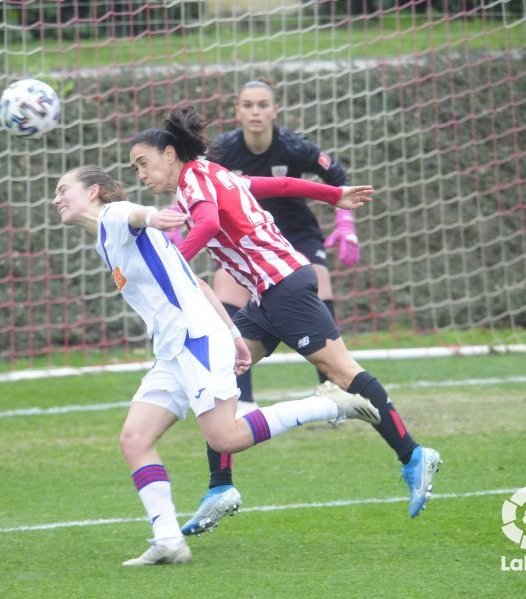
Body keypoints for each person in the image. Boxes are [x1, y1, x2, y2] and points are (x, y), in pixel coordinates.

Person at [128, 106, 443, 536]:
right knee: (219, 367)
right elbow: (276, 185)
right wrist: (333, 195)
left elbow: (207, 222)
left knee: (342, 371)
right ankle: (220, 487)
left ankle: (413, 455)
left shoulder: (195, 180)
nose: (141, 175)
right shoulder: (211, 173)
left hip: (284, 286)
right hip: (267, 293)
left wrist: (173, 268)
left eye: (143, 163)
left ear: (169, 153)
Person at [51, 166, 379, 566]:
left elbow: (133, 214)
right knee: (135, 440)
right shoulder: (106, 241)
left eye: (63, 189)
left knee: (225, 437)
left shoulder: (115, 218)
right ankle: (168, 541)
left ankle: (333, 404)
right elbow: (197, 283)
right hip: (173, 349)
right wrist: (235, 334)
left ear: (95, 191)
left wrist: (154, 217)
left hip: (196, 339)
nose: (57, 199)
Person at [181, 78, 367, 534]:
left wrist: (346, 223)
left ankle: (333, 387)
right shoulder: (223, 152)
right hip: (243, 236)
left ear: (275, 109)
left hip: (294, 235)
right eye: (248, 104)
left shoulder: (294, 146)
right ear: (238, 111)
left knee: (318, 294)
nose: (256, 112)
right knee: (226, 308)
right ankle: (239, 399)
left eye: (264, 104)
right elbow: (199, 191)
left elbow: (337, 176)